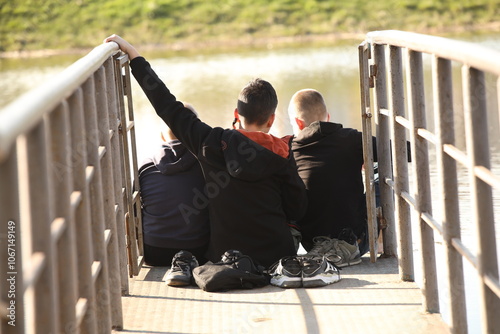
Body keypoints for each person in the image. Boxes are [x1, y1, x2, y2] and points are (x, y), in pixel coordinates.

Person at [104, 35, 307, 269]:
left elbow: (168, 106)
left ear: (236, 114)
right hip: (276, 256)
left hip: (227, 257)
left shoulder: (212, 142)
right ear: (272, 119)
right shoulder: (283, 153)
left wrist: (135, 57)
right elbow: (297, 209)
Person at [289, 89, 378, 265]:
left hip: (312, 244)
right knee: (380, 174)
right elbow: (402, 150)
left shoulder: (290, 150)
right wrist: (366, 160)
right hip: (357, 241)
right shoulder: (352, 140)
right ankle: (381, 244)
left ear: (298, 123)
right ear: (327, 117)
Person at [139, 103, 210, 268]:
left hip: (153, 251)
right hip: (198, 251)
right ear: (196, 131)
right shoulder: (206, 165)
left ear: (162, 136)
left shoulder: (145, 166)